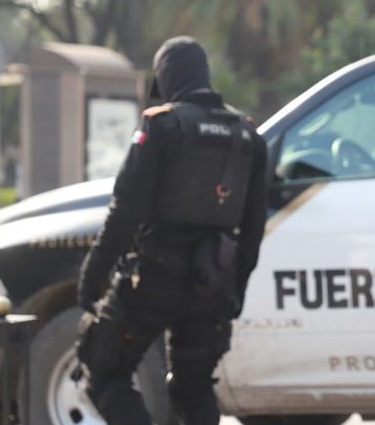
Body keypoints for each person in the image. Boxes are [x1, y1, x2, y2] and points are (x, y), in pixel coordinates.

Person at [76, 36, 267, 424]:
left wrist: (92, 277)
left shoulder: (161, 125)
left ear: (166, 77)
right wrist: (235, 290)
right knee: (193, 387)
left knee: (105, 374)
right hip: (212, 282)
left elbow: (124, 211)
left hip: (152, 279)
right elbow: (253, 228)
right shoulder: (248, 135)